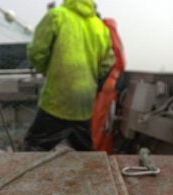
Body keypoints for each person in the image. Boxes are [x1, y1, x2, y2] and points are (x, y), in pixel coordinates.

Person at [24, 0, 114, 151]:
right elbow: (107, 63)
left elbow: (36, 52)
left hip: (57, 99)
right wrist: (90, 80)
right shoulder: (100, 27)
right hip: (84, 102)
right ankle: (91, 173)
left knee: (34, 147)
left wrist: (46, 70)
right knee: (84, 152)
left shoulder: (56, 16)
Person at [91, 17, 125, 154]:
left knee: (100, 130)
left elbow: (119, 59)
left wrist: (112, 77)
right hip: (93, 87)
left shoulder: (106, 28)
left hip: (105, 88)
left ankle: (99, 162)